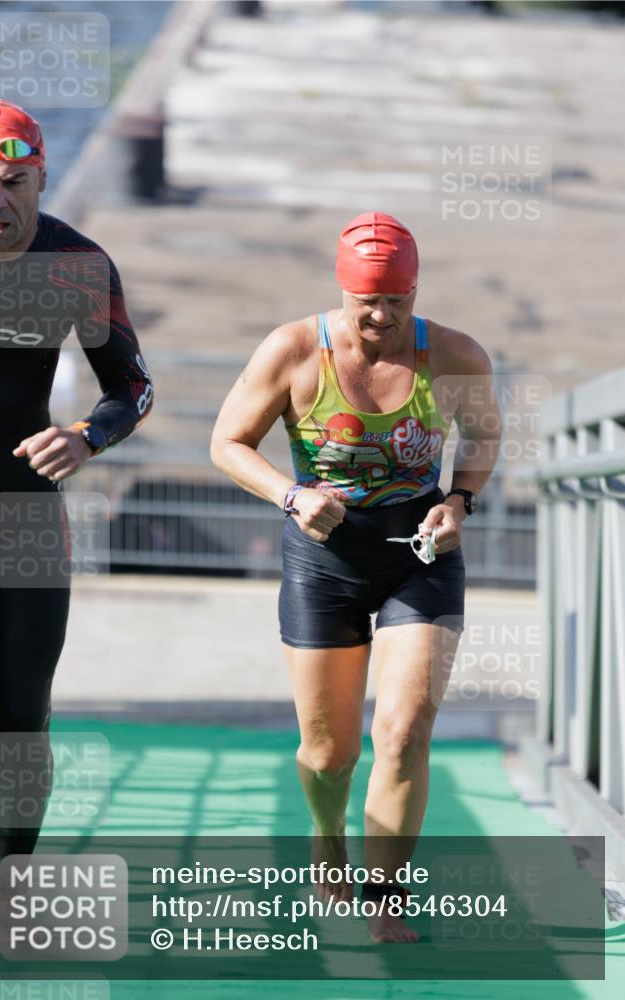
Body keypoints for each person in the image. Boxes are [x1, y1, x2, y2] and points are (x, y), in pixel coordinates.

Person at [211, 212, 501, 943]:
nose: (377, 318)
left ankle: (384, 896)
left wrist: (460, 501)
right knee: (328, 751)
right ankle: (326, 837)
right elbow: (227, 442)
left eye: (393, 304)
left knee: (403, 732)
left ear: (413, 294)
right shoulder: (292, 350)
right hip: (323, 560)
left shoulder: (456, 357)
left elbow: (484, 436)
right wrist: (291, 494)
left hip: (419, 556)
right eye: (362, 302)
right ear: (340, 291)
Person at [0, 100, 154, 925]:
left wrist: (86, 438)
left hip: (26, 516)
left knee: (22, 713)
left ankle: (5, 885)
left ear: (39, 179)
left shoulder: (76, 263)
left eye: (13, 183)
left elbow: (132, 386)